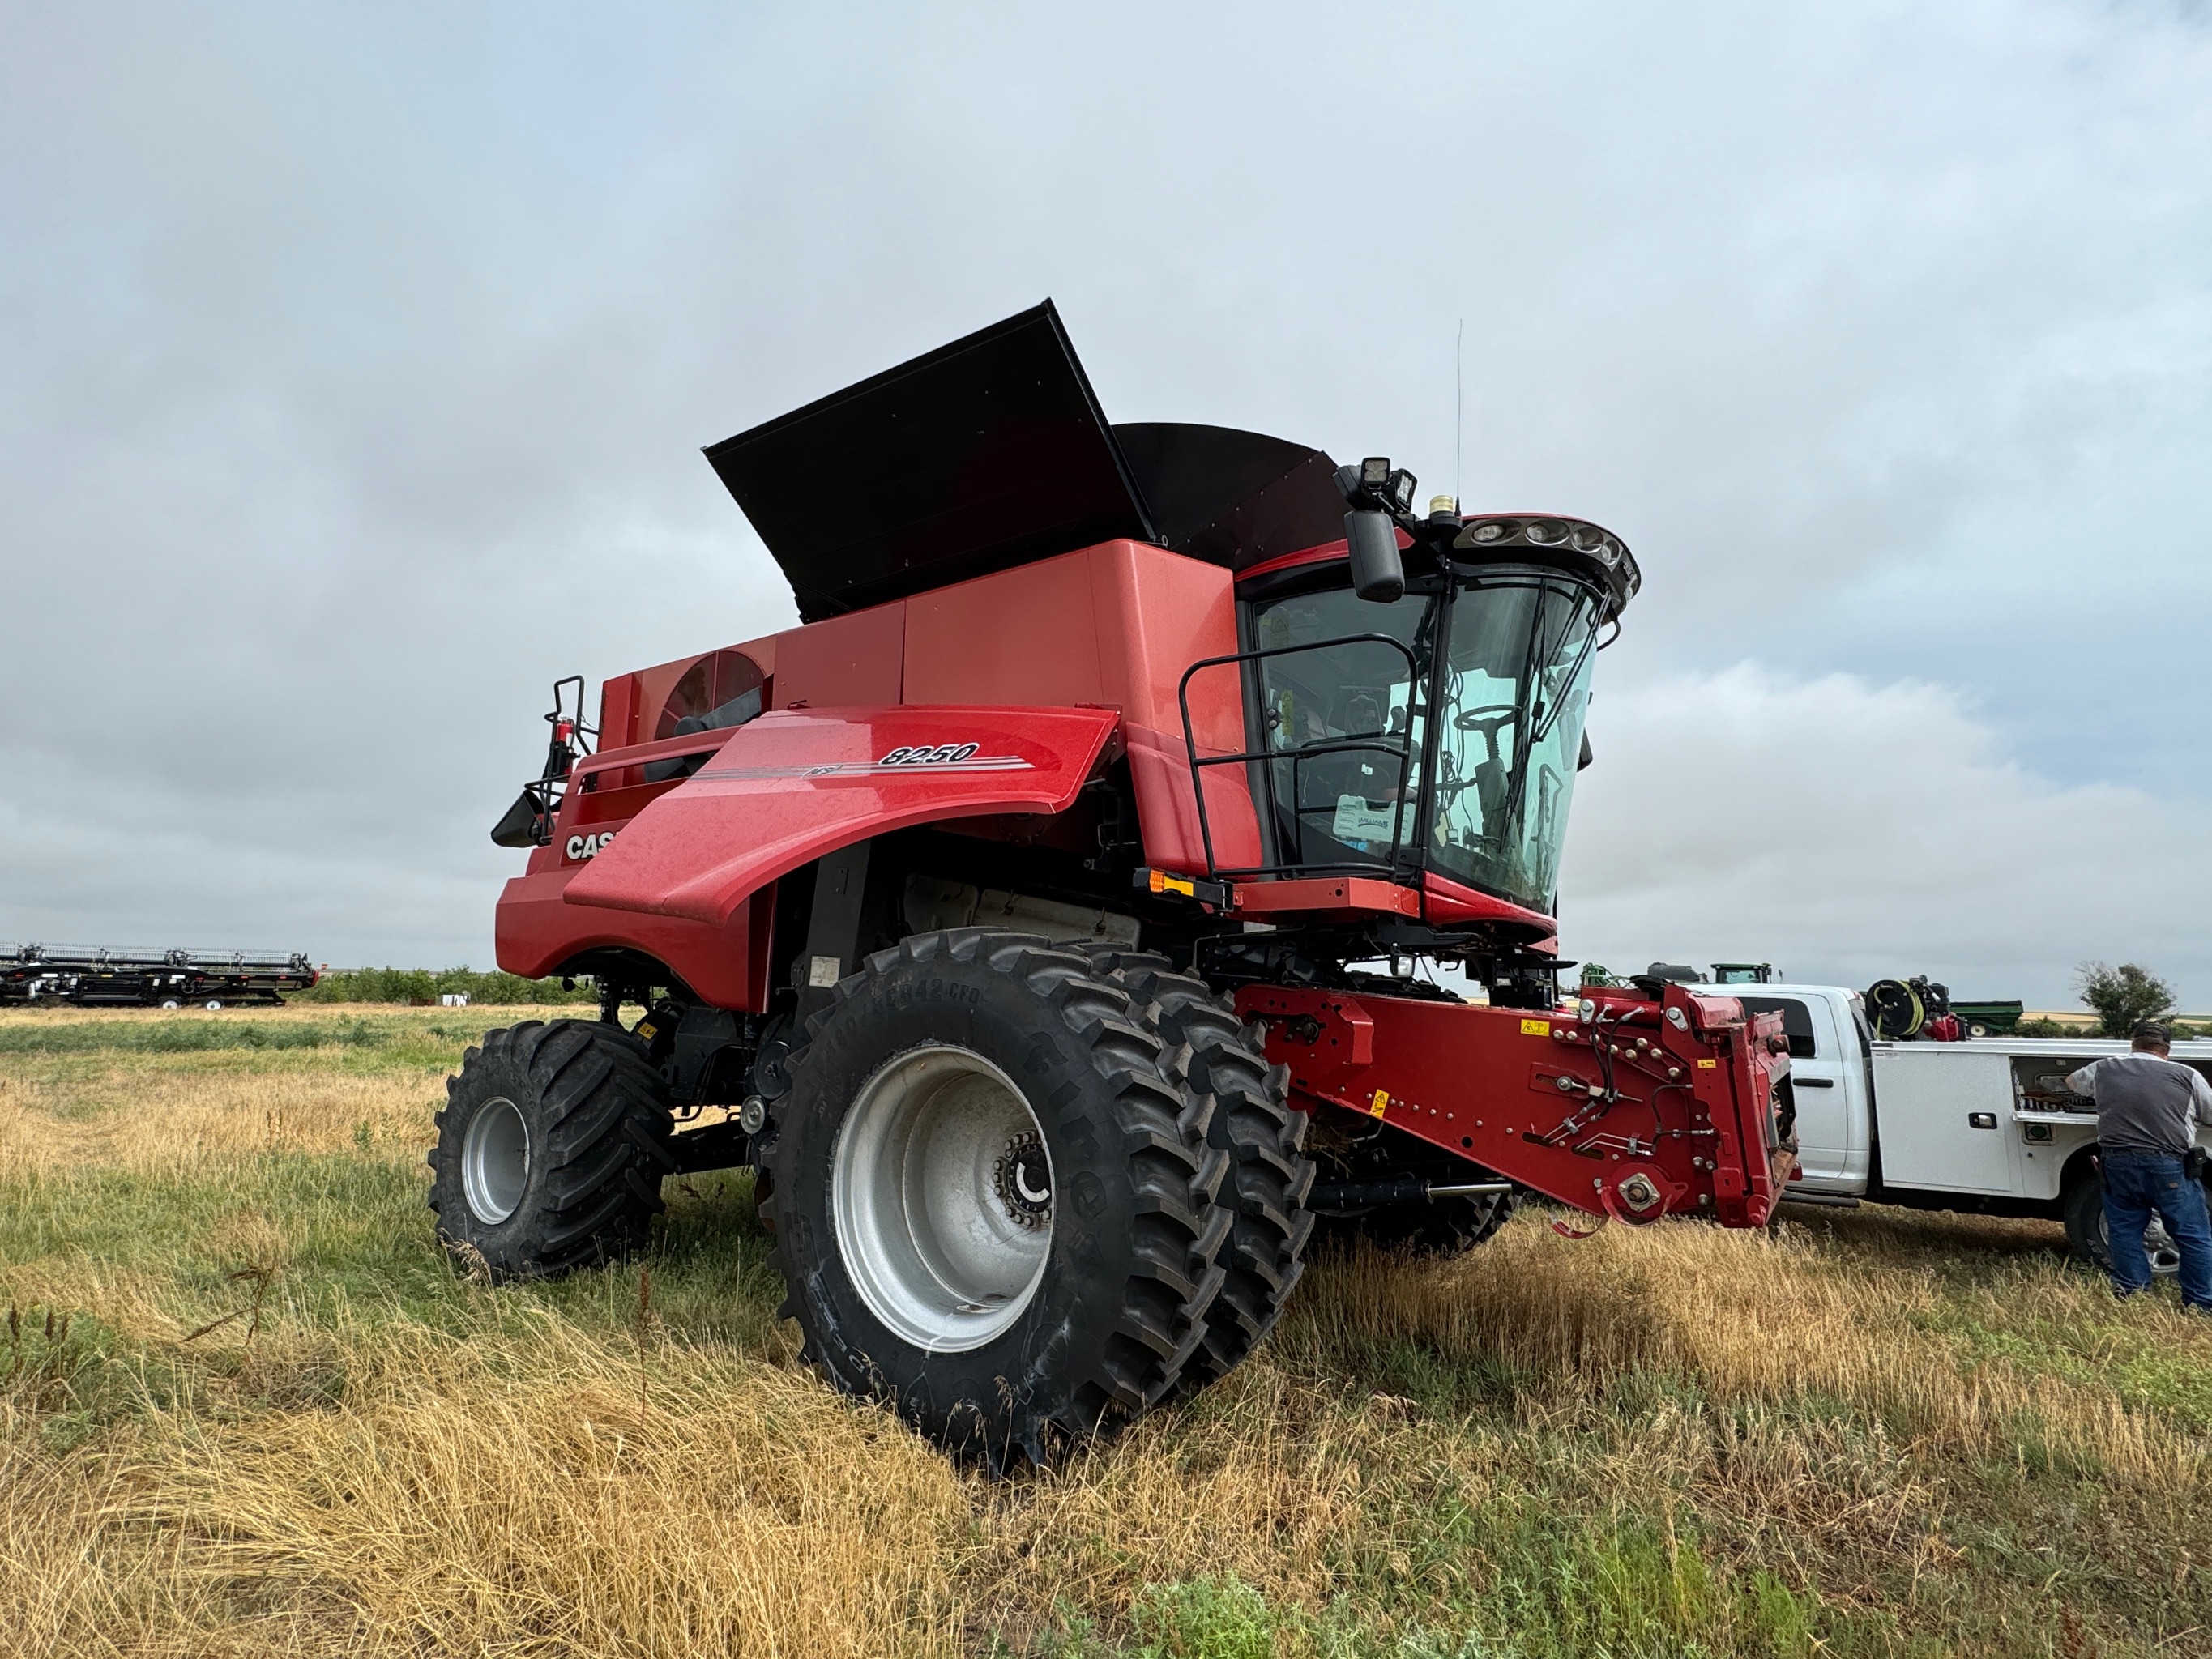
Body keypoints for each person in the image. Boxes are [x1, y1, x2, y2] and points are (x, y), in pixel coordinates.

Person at [2068, 1021, 2212, 1307]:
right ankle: (2200, 1302)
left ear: (2133, 1044)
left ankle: (2132, 1293)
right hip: (2168, 1164)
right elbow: (2210, 1114)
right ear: (2167, 1049)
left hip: (2118, 1163)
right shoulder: (2187, 1075)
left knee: (2124, 1230)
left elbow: (2072, 1082)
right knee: (2192, 1233)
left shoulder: (2104, 1068)